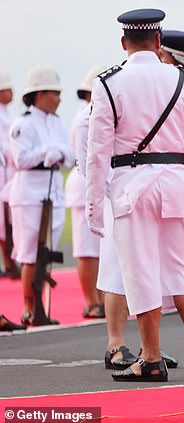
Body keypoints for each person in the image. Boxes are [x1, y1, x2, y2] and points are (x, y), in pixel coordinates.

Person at [85, 8, 184, 382]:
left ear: (123, 42)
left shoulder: (109, 83)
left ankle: (151, 357)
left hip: (132, 183)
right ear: (158, 41)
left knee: (141, 271)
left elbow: (97, 152)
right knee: (181, 268)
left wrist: (94, 206)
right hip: (176, 181)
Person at [9, 65, 74, 326]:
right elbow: (21, 158)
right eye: (54, 93)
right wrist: (49, 151)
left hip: (53, 190)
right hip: (29, 192)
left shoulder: (57, 123)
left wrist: (55, 152)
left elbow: (69, 155)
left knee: (47, 252)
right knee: (29, 253)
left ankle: (41, 307)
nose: (59, 99)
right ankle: (28, 306)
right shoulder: (23, 123)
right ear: (39, 94)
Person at [65, 66, 106, 319]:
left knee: (99, 249)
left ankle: (100, 298)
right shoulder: (84, 118)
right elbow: (85, 161)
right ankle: (90, 300)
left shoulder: (96, 115)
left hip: (97, 185)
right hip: (84, 186)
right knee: (87, 249)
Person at [0, 72, 20, 279]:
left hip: (10, 172)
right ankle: (7, 262)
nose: (11, 92)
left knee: (8, 219)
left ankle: (9, 261)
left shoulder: (9, 114)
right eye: (7, 89)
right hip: (2, 171)